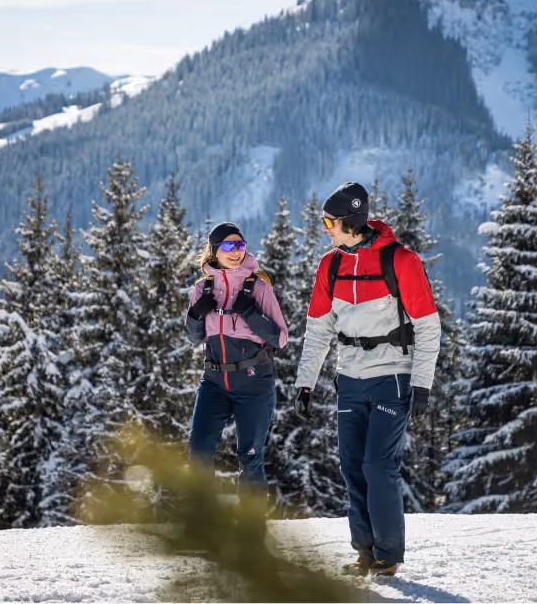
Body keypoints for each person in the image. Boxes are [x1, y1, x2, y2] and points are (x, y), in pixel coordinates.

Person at [294, 182, 440, 577]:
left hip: (392, 376)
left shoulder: (401, 261)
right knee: (352, 465)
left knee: (379, 464)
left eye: (330, 221)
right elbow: (319, 329)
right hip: (349, 377)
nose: (325, 227)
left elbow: (427, 326)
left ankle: (388, 555)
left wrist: (422, 383)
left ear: (350, 221)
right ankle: (365, 551)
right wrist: (304, 382)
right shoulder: (332, 264)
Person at [184, 221, 289, 492]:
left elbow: (280, 338)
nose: (236, 252)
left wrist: (251, 313)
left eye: (240, 245)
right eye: (229, 246)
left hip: (253, 383)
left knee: (250, 459)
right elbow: (195, 338)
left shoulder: (259, 287)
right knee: (198, 453)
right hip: (214, 382)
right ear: (215, 250)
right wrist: (196, 313)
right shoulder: (202, 288)